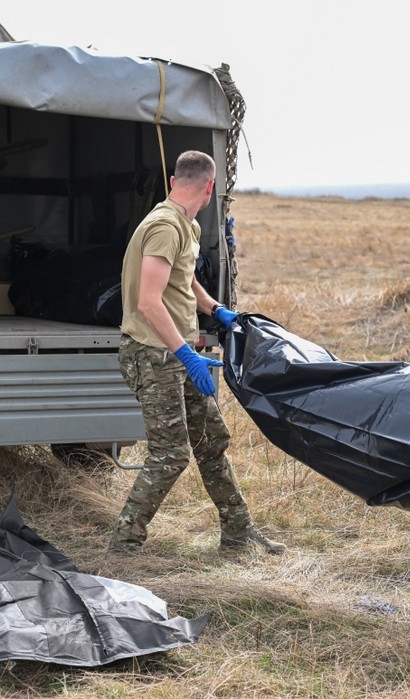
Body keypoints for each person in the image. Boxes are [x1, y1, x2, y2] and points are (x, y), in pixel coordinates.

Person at [109, 150, 285, 556]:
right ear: (210, 188)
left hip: (176, 352)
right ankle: (123, 545)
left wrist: (215, 309)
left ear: (174, 181)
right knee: (170, 455)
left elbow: (183, 278)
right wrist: (186, 355)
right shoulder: (164, 227)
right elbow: (148, 302)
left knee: (211, 441)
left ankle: (238, 532)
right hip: (153, 356)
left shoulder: (186, 224)